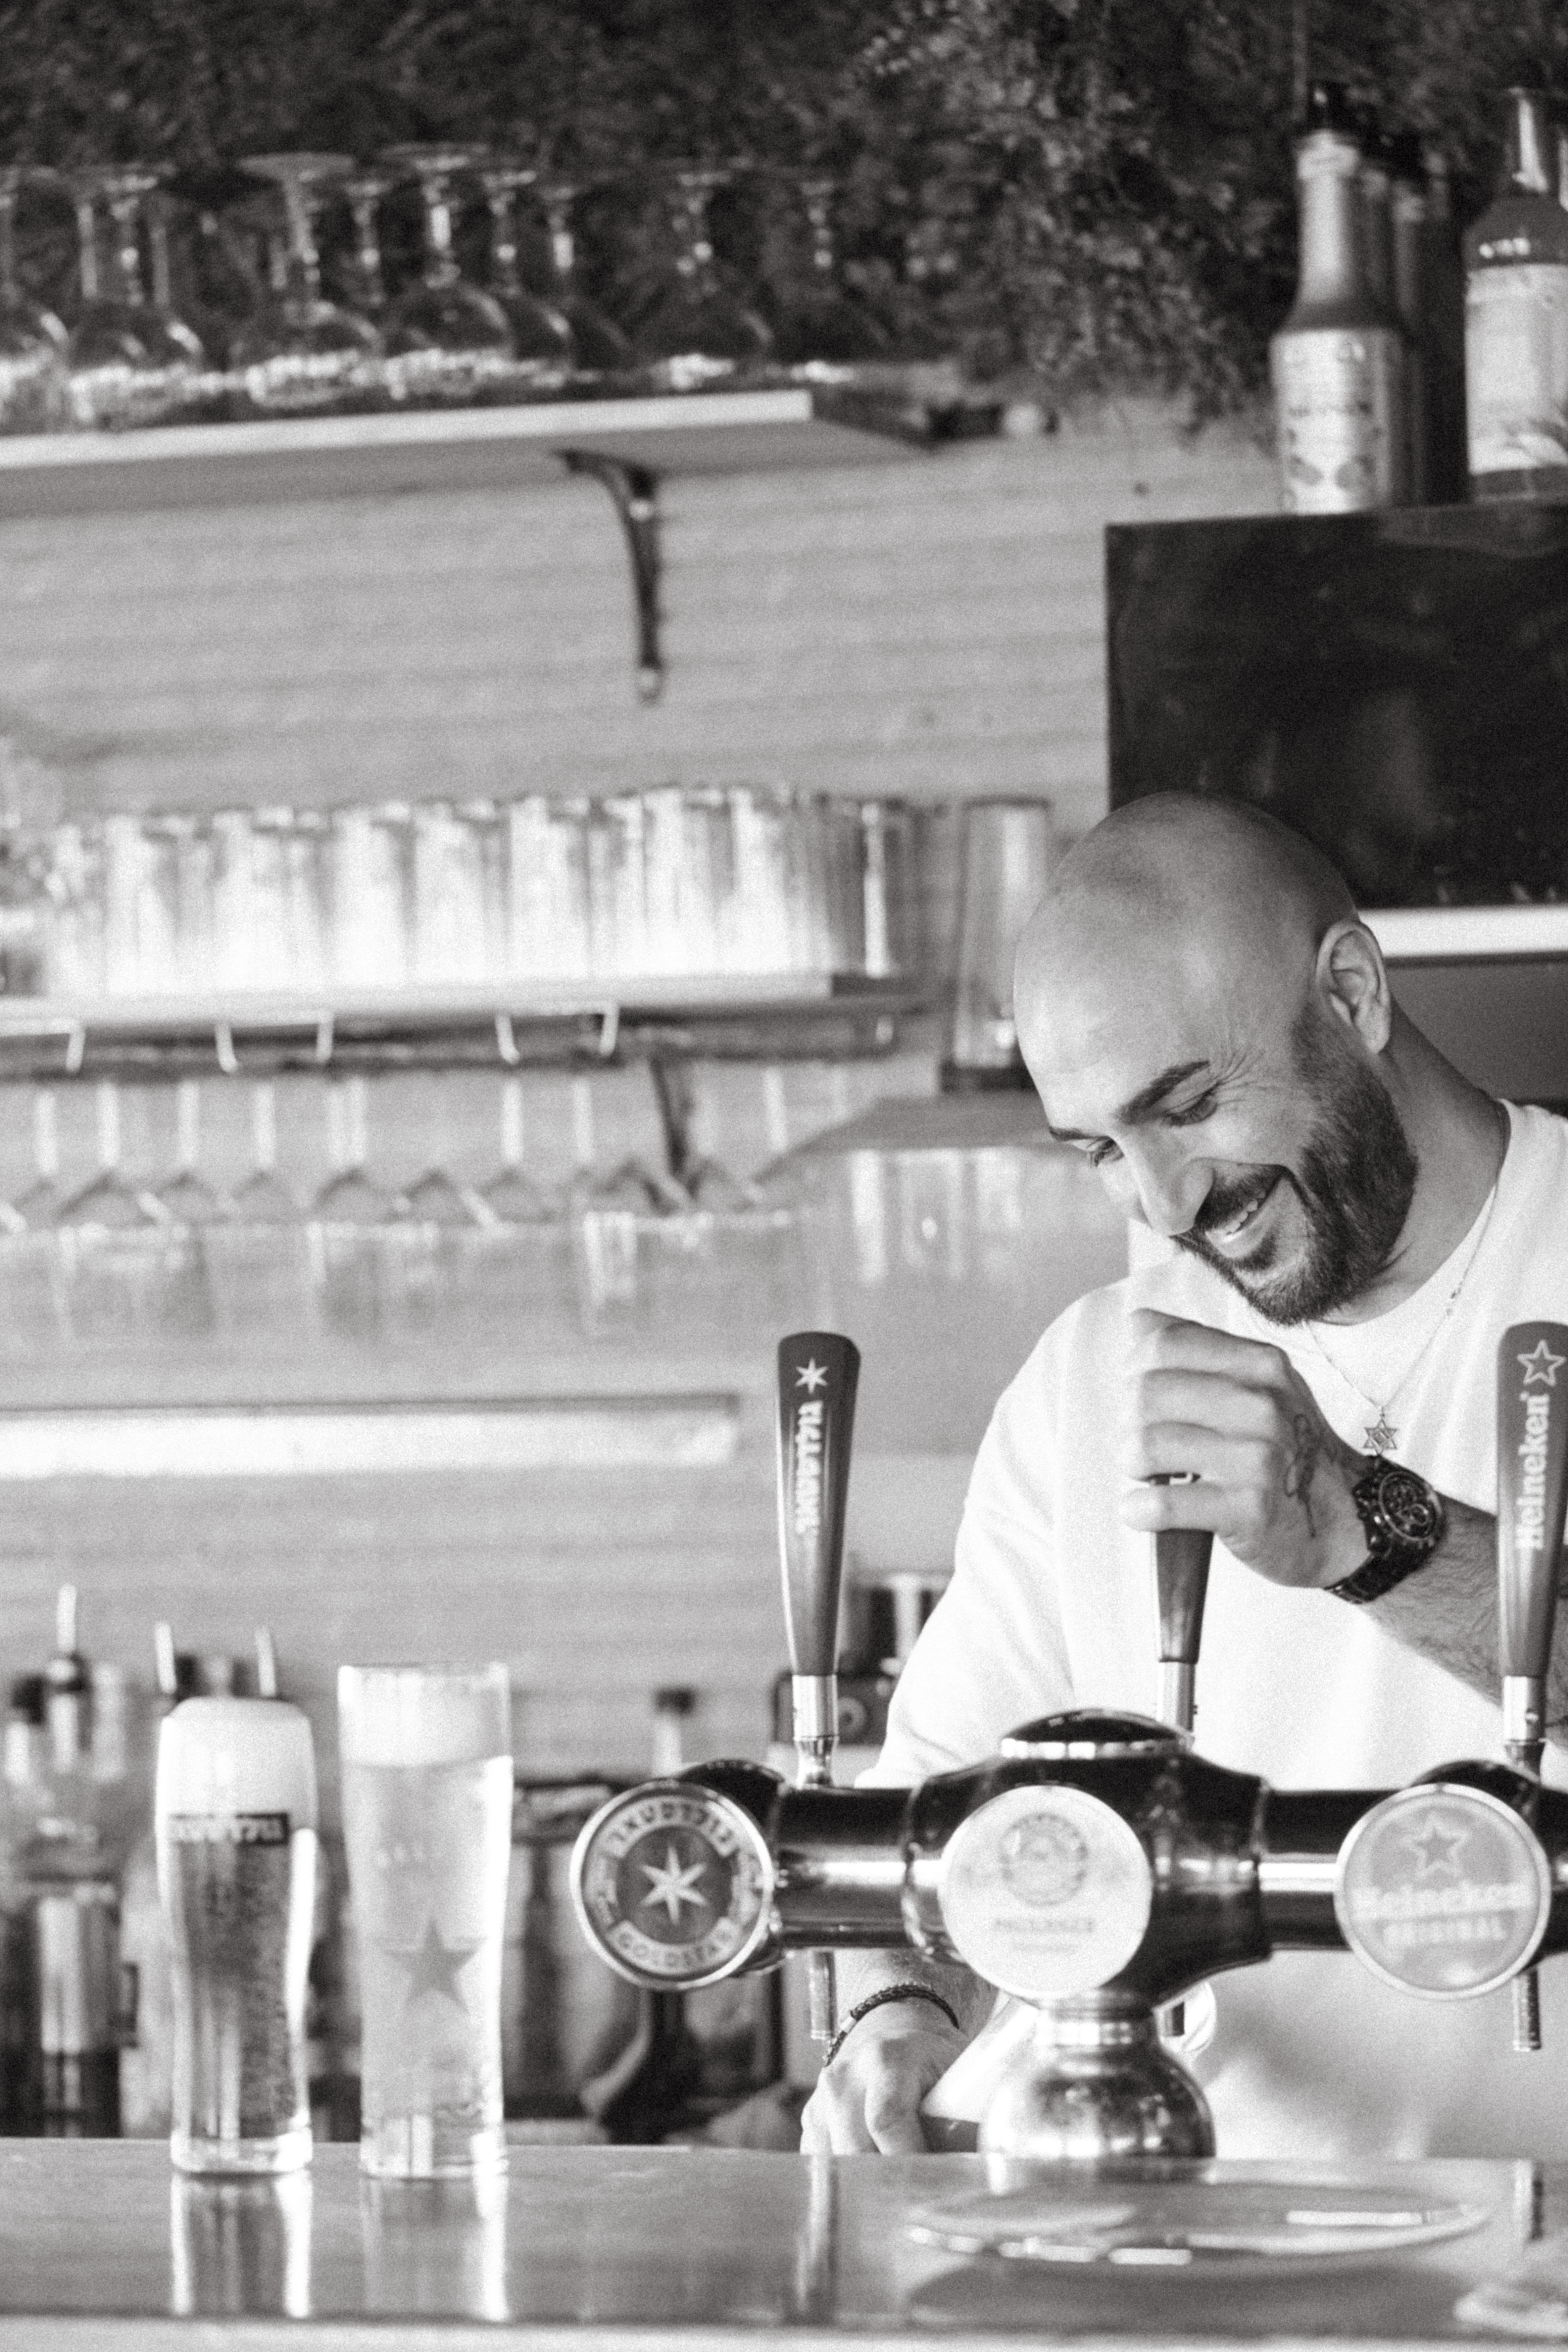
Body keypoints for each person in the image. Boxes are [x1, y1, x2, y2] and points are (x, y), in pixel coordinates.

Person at [802, 791, 1568, 2160]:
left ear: (1352, 993)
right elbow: (931, 1832)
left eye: (1190, 1106)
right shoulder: (1092, 1372)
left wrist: (1362, 1526)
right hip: (1163, 2236)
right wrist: (900, 2013)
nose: (1162, 1207)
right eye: (1102, 1149)